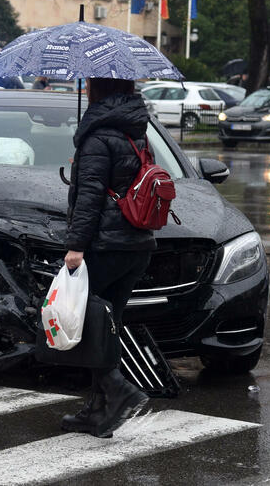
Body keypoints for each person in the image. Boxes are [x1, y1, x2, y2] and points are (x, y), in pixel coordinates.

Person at [62, 76, 156, 438]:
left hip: (105, 246)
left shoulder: (98, 137)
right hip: (137, 245)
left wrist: (76, 246)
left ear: (97, 89)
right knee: (108, 325)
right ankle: (98, 411)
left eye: (89, 84)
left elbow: (90, 197)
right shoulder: (137, 133)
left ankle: (119, 391)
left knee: (83, 320)